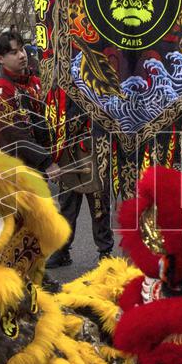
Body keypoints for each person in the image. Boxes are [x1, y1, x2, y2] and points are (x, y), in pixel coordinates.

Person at [45, 100, 115, 269]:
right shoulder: (64, 85)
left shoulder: (99, 84)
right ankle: (62, 250)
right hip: (69, 150)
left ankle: (105, 251)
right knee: (66, 206)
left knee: (99, 206)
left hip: (96, 148)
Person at [0, 32, 57, 178]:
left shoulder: (36, 82)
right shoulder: (0, 91)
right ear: (0, 59)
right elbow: (15, 133)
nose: (22, 55)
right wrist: (46, 161)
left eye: (22, 49)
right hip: (12, 167)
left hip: (37, 163)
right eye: (14, 52)